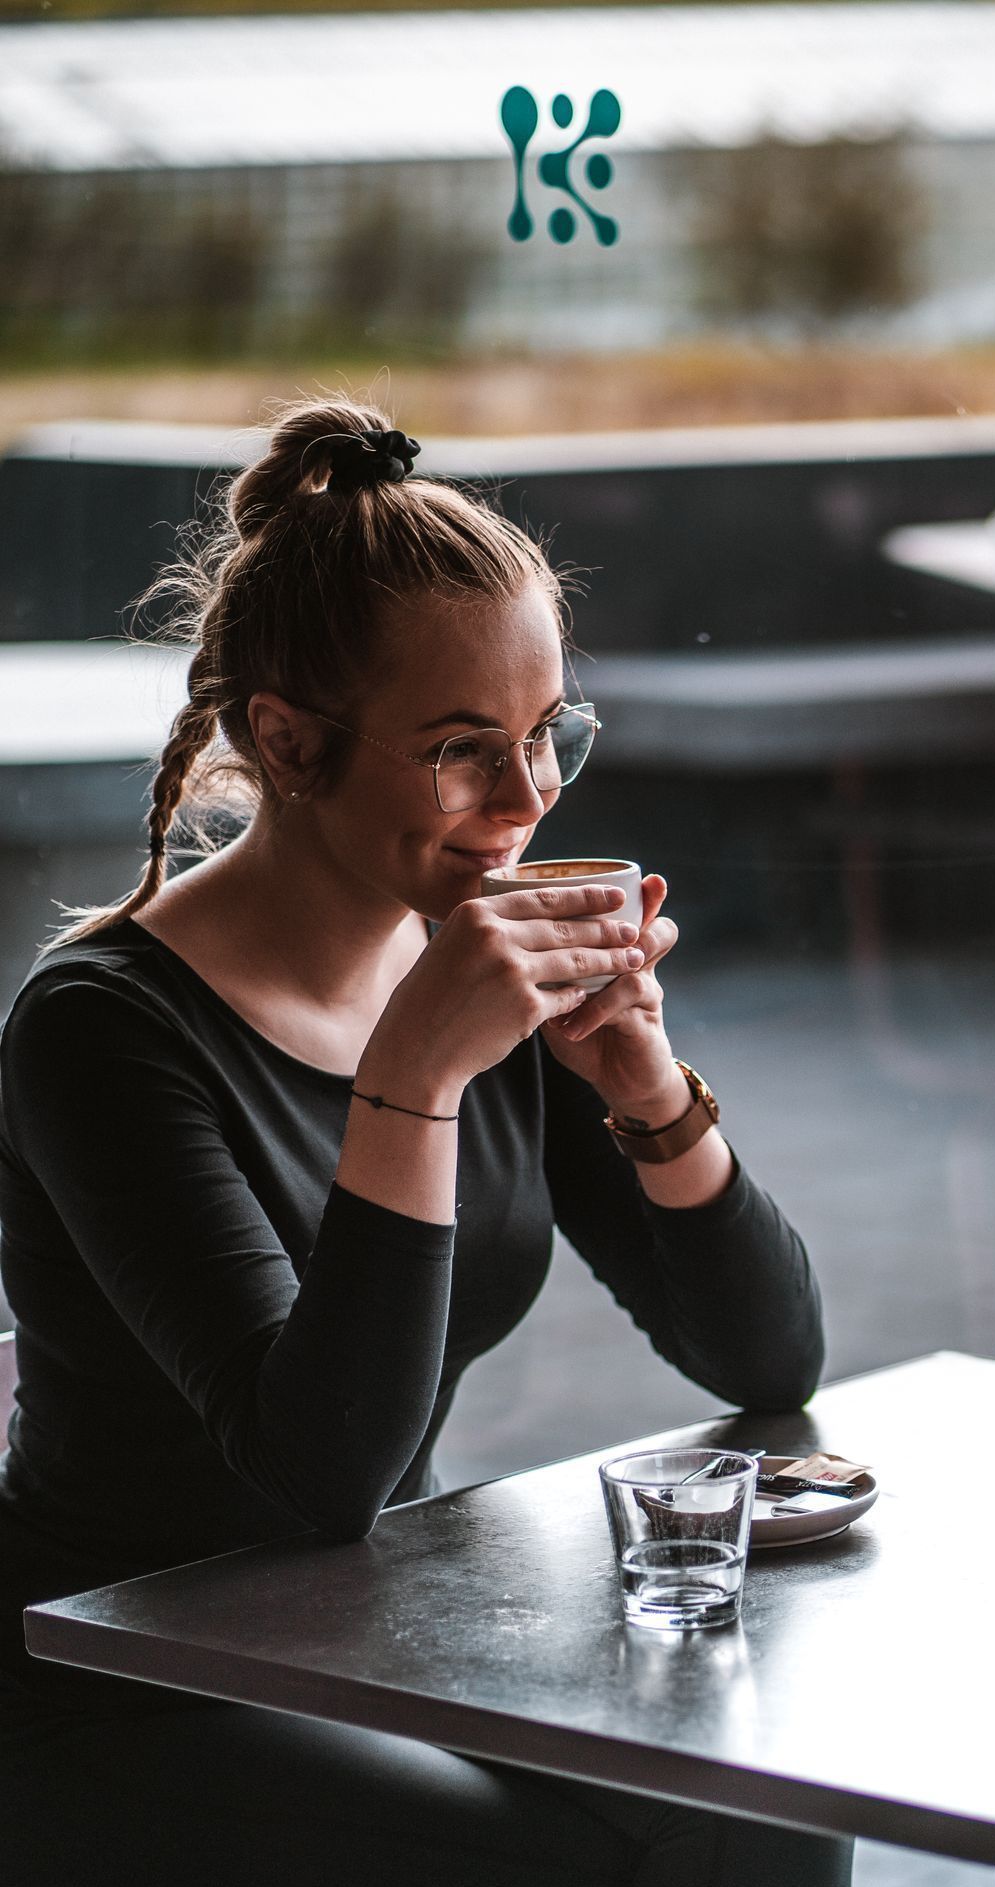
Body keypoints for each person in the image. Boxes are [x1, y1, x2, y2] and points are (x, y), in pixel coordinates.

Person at [0, 399, 847, 1886]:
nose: (522, 807)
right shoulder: (100, 1029)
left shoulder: (476, 973)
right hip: (102, 1664)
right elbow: (311, 1475)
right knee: (551, 1859)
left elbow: (767, 1360)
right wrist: (417, 1080)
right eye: (463, 751)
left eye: (546, 739)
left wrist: (645, 1082)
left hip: (366, 1623)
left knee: (765, 1798)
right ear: (288, 740)